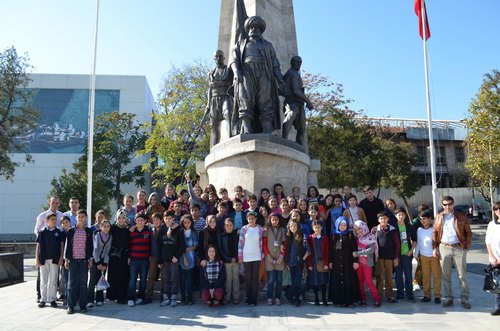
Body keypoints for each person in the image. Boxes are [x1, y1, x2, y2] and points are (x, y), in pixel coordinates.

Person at [229, 15, 284, 134]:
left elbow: (275, 63)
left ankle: (266, 129)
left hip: (264, 72)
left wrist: (279, 77)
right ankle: (246, 128)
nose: (254, 29)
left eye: (257, 27)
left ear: (261, 29)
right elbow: (234, 60)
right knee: (245, 98)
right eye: (252, 27)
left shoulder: (267, 45)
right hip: (246, 72)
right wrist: (236, 71)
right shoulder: (241, 44)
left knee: (265, 100)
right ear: (248, 29)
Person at [433, 196, 472, 309]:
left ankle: (465, 299)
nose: (447, 206)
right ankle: (449, 298)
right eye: (445, 204)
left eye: (449, 204)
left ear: (453, 204)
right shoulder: (439, 217)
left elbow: (468, 232)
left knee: (462, 275)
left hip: (459, 248)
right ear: (442, 205)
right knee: (446, 275)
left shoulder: (461, 216)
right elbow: (435, 232)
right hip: (444, 247)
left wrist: (467, 246)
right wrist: (435, 247)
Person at [34, 196, 64, 303]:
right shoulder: (42, 219)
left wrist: (61, 257)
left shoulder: (61, 217)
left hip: (55, 257)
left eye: (57, 202)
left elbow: (61, 244)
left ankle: (52, 298)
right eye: (53, 202)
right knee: (43, 279)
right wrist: (37, 258)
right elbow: (37, 240)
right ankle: (42, 298)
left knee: (53, 279)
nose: (55, 204)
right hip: (44, 257)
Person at [64, 209, 93, 314]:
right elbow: (67, 247)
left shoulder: (89, 231)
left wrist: (90, 259)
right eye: (79, 216)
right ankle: (70, 306)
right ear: (76, 218)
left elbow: (90, 246)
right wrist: (66, 260)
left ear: (86, 218)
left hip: (84, 261)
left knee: (83, 283)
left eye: (83, 216)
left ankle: (83, 305)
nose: (81, 218)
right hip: (73, 260)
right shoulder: (71, 231)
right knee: (71, 284)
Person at [282, 55, 314, 147]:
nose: (298, 64)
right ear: (291, 63)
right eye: (297, 62)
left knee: (302, 126)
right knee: (292, 113)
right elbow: (296, 90)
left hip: (299, 102)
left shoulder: (296, 74)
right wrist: (308, 101)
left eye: (300, 63)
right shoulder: (292, 73)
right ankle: (284, 138)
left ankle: (300, 145)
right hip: (291, 101)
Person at [328, 216, 359, 307]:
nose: (343, 226)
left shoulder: (349, 235)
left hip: (348, 262)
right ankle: (339, 300)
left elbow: (354, 248)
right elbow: (331, 250)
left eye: (345, 225)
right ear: (337, 225)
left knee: (348, 280)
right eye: (341, 224)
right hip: (336, 262)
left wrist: (355, 261)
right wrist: (330, 261)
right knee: (337, 280)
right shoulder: (333, 235)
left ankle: (349, 301)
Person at [206, 49, 234, 146]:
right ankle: (214, 148)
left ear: (224, 58)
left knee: (228, 115)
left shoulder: (229, 71)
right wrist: (208, 104)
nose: (218, 58)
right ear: (214, 59)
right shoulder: (211, 73)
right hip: (214, 100)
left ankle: (231, 141)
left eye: (220, 56)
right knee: (214, 125)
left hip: (226, 97)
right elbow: (209, 89)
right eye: (216, 57)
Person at [158, 210, 186, 307]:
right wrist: (159, 260)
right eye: (166, 218)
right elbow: (159, 246)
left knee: (174, 278)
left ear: (173, 218)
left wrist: (177, 257)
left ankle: (173, 298)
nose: (168, 220)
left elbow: (182, 245)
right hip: (164, 259)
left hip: (174, 259)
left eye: (170, 218)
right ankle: (166, 298)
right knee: (165, 279)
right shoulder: (162, 230)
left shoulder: (178, 229)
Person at [414, 210, 441, 304]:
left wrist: (437, 252)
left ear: (429, 219)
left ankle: (437, 296)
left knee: (437, 276)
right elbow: (419, 242)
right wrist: (416, 253)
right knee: (426, 277)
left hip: (434, 256)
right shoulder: (419, 230)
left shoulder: (434, 229)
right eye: (421, 219)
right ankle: (427, 295)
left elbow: (437, 243)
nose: (423, 221)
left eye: (425, 219)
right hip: (423, 256)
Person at [238, 211, 265, 307]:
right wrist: (240, 256)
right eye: (249, 218)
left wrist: (263, 256)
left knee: (255, 277)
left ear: (256, 219)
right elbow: (240, 243)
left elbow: (263, 242)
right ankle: (248, 297)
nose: (251, 220)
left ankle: (254, 298)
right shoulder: (244, 229)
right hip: (246, 256)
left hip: (257, 256)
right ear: (247, 219)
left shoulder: (260, 229)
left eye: (253, 218)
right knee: (248, 278)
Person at [353, 220, 381, 307]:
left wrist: (358, 253)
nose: (358, 231)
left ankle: (377, 299)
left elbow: (371, 250)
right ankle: (363, 300)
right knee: (360, 282)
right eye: (356, 229)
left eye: (360, 229)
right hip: (358, 264)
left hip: (367, 263)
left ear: (364, 227)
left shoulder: (370, 236)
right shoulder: (356, 238)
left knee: (369, 282)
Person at [127, 214, 152, 307]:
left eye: (142, 220)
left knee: (143, 280)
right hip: (134, 258)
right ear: (135, 221)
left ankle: (141, 296)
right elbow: (128, 245)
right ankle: (131, 298)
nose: (140, 222)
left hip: (144, 259)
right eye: (138, 220)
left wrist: (150, 256)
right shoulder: (132, 232)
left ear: (144, 221)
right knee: (132, 279)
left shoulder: (148, 231)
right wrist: (129, 257)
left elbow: (151, 245)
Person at [375, 211, 400, 303]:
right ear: (378, 220)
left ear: (388, 219)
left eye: (385, 218)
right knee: (379, 277)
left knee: (389, 277)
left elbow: (397, 244)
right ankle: (379, 296)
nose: (383, 220)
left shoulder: (393, 230)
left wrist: (396, 257)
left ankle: (390, 296)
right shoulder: (375, 230)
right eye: (381, 218)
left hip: (390, 257)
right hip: (379, 257)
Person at [106, 210, 130, 305]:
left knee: (124, 276)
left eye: (123, 217)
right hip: (114, 255)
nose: (121, 219)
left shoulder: (128, 229)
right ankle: (112, 295)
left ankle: (122, 297)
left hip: (125, 256)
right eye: (119, 217)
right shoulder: (112, 228)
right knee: (114, 276)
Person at [393, 207, 417, 302]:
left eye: (402, 214)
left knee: (408, 275)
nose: (401, 216)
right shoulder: (393, 227)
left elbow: (414, 239)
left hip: (407, 254)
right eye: (399, 215)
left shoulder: (409, 226)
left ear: (405, 215)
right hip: (397, 255)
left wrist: (411, 250)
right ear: (395, 216)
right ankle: (400, 293)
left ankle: (409, 294)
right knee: (398, 275)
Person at [87, 220, 112, 308]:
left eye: (108, 226)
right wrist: (97, 263)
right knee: (93, 280)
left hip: (103, 261)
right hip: (95, 260)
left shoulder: (110, 237)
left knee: (101, 280)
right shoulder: (97, 236)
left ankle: (99, 299)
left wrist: (104, 264)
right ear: (101, 227)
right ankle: (90, 299)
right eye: (104, 226)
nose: (106, 228)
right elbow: (95, 250)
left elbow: (107, 251)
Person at [284, 219, 308, 307]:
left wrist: (302, 259)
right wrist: (286, 262)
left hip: (299, 263)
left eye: (294, 226)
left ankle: (288, 294)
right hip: (290, 262)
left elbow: (308, 251)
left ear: (298, 226)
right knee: (294, 281)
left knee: (297, 281)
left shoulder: (303, 236)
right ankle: (295, 299)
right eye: (290, 226)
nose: (292, 228)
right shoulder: (288, 237)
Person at [263, 213, 286, 305]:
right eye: (273, 220)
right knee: (271, 279)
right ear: (270, 220)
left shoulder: (282, 230)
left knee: (279, 279)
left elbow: (284, 244)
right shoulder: (266, 230)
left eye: (276, 219)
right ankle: (269, 297)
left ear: (279, 220)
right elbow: (264, 245)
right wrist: (268, 256)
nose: (274, 221)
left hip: (279, 257)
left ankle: (277, 297)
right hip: (269, 257)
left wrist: (282, 256)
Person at [307, 220, 329, 306]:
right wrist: (309, 264)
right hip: (313, 262)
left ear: (322, 228)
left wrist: (327, 263)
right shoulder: (310, 238)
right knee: (315, 281)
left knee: (323, 281)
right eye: (315, 228)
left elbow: (327, 251)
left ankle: (324, 299)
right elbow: (309, 252)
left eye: (319, 227)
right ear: (313, 228)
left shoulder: (325, 238)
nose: (317, 229)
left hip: (323, 262)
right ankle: (316, 299)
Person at [218, 218, 240, 304]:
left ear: (233, 226)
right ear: (224, 226)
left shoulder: (236, 235)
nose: (229, 227)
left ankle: (236, 297)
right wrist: (228, 259)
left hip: (236, 260)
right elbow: (220, 250)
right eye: (227, 225)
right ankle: (227, 297)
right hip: (226, 261)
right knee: (228, 279)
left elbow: (239, 247)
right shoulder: (222, 236)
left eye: (231, 225)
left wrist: (236, 257)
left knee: (236, 279)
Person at [179, 215, 198, 305]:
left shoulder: (194, 233)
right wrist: (184, 256)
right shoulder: (180, 233)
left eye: (188, 222)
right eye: (185, 222)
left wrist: (188, 249)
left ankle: (189, 296)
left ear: (191, 223)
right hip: (183, 258)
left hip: (191, 258)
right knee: (183, 279)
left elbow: (196, 245)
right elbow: (180, 247)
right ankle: (183, 297)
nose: (186, 224)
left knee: (190, 279)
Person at [145, 212, 163, 304]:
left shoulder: (165, 229)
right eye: (154, 220)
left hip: (163, 256)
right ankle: (148, 296)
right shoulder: (150, 229)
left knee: (163, 277)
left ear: (161, 220)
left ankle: (162, 296)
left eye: (157, 220)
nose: (155, 222)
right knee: (151, 276)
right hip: (153, 256)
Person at [486, 201, 500, 315]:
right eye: (496, 209)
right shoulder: (491, 224)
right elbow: (488, 241)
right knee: (497, 283)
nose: (498, 211)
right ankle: (498, 306)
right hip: (495, 259)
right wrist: (491, 255)